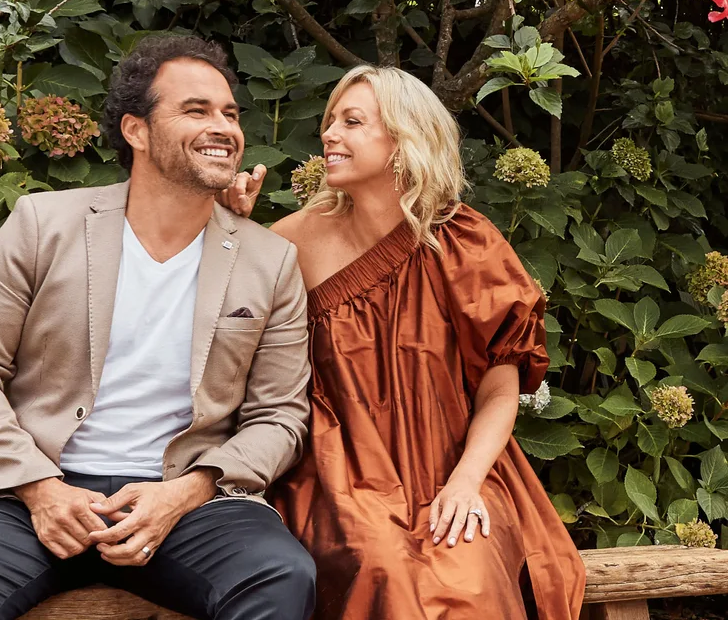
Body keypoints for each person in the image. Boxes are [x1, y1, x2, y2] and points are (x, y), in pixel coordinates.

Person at [0, 35, 316, 620]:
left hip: (187, 498)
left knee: (280, 579)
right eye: (196, 110)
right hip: (25, 487)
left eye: (230, 114)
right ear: (136, 130)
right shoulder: (44, 225)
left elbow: (279, 415)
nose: (223, 127)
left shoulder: (270, 260)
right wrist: (39, 487)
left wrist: (188, 492)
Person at [224, 64, 586, 619]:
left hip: (456, 463)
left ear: (403, 139)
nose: (329, 134)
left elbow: (498, 390)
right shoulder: (291, 240)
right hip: (341, 472)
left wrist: (465, 483)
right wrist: (229, 231)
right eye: (330, 121)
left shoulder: (462, 242)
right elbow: (226, 336)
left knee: (469, 571)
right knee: (381, 565)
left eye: (352, 122)